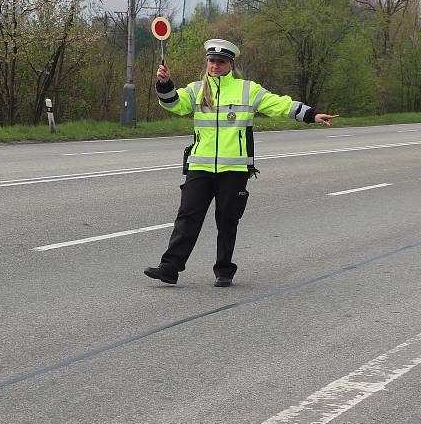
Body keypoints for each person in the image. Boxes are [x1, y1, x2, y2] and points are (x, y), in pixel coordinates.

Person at [144, 38, 339, 287]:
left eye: (221, 62)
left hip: (234, 169)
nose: (215, 65)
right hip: (200, 166)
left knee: (227, 220)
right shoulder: (196, 89)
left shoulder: (248, 90)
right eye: (212, 61)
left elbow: (280, 104)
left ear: (230, 64)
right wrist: (164, 82)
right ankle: (169, 267)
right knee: (187, 217)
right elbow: (173, 103)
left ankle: (224, 270)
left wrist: (311, 115)